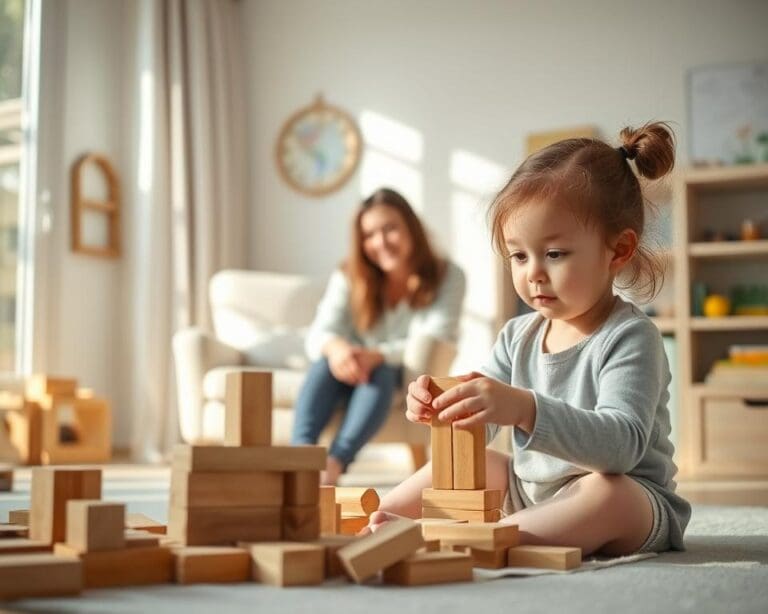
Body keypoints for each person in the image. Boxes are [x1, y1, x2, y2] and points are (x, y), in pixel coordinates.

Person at [366, 122, 691, 556]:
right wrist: (444, 407)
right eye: (518, 255)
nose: (533, 272)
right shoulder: (518, 335)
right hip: (531, 493)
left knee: (606, 492)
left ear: (618, 251)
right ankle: (375, 522)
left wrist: (525, 408)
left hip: (631, 502)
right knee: (479, 462)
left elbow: (622, 448)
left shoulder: (631, 336)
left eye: (554, 254)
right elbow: (482, 424)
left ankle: (487, 539)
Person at [291, 188, 465, 485]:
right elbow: (319, 333)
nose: (380, 242)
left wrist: (378, 356)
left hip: (395, 377)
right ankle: (299, 461)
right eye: (369, 235)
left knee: (380, 373)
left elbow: (436, 334)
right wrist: (337, 350)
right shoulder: (349, 274)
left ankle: (334, 464)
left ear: (411, 227)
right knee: (323, 364)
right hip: (343, 372)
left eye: (390, 229)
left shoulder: (447, 275)